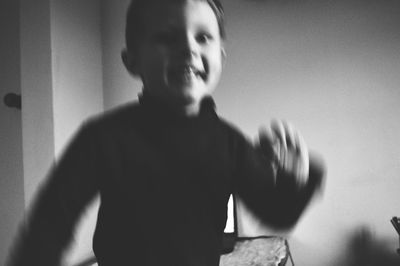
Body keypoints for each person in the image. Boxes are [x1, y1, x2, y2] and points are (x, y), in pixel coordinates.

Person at [7, 0, 325, 265]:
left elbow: (276, 212)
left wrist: (294, 180)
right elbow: (49, 227)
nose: (187, 46)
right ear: (132, 60)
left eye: (203, 37)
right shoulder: (102, 137)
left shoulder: (230, 143)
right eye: (167, 37)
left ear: (221, 59)